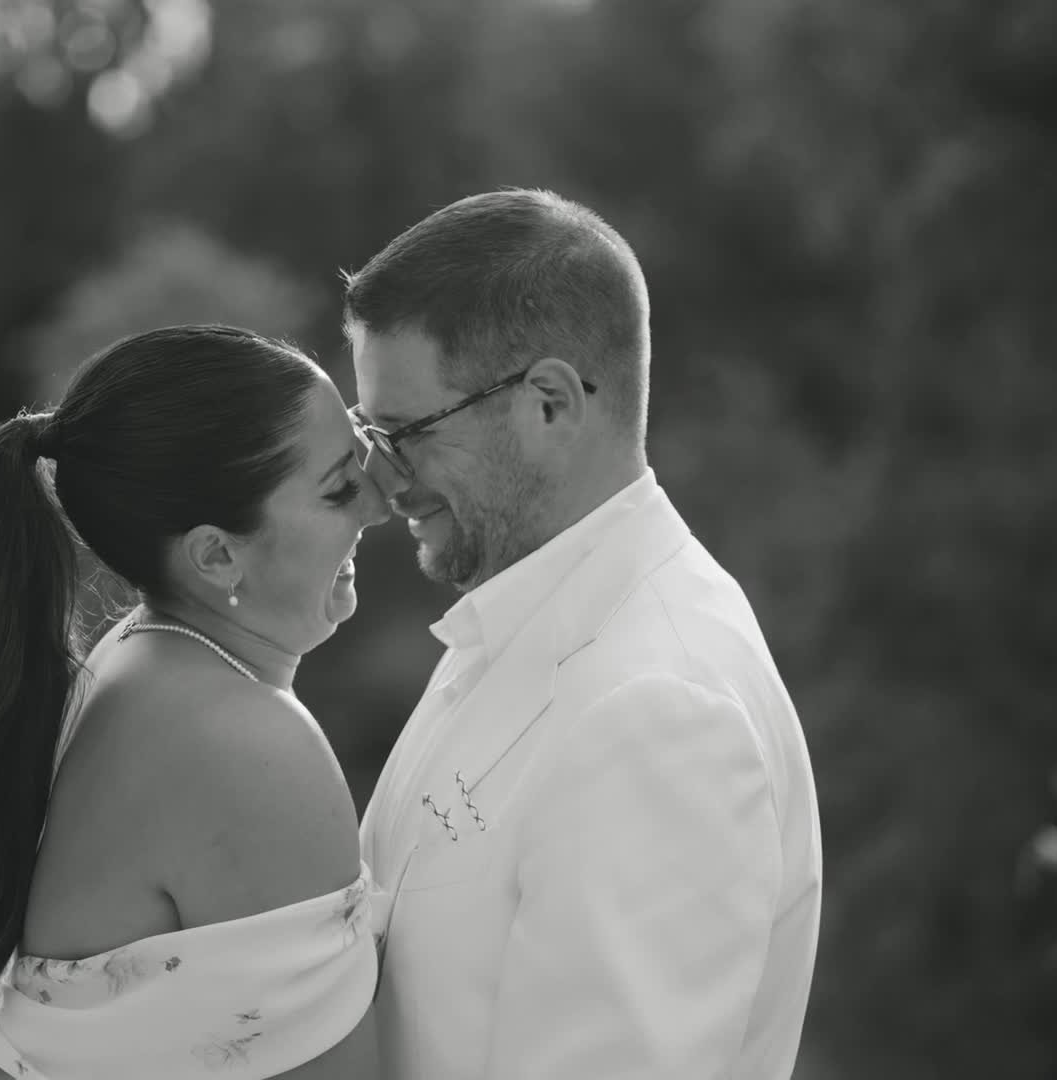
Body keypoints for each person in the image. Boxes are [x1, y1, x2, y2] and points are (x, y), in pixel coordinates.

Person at [345, 189, 823, 1079]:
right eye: (368, 434)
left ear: (551, 404)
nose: (384, 485)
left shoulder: (661, 708)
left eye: (405, 434)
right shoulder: (520, 626)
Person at [0, 325, 388, 1079]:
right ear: (217, 554)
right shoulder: (243, 741)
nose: (379, 503)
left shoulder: (132, 664)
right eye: (340, 486)